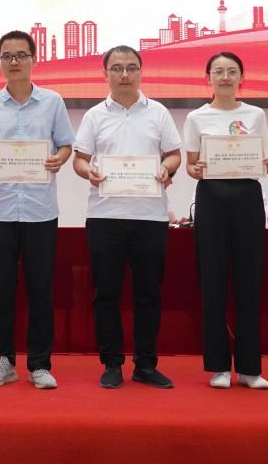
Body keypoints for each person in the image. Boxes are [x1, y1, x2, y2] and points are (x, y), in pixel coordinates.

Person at [72, 45, 181, 390]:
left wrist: (165, 169)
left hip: (150, 217)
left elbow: (174, 155)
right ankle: (112, 363)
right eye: (117, 68)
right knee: (106, 294)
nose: (124, 74)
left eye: (131, 67)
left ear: (141, 72)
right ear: (105, 74)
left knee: (148, 294)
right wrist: (89, 171)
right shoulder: (94, 116)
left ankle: (146, 364)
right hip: (105, 216)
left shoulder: (159, 112)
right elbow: (79, 160)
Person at [0, 30, 74, 389]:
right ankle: (1, 362)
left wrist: (58, 159)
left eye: (21, 55)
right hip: (0, 209)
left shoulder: (53, 102)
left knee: (41, 290)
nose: (14, 62)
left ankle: (40, 364)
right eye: (7, 56)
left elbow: (66, 145)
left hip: (40, 210)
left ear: (34, 59)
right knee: (1, 291)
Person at [183, 52, 268, 390]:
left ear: (241, 78)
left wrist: (266, 164)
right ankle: (219, 366)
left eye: (231, 71)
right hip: (211, 197)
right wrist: (197, 169)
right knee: (213, 280)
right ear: (207, 78)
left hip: (247, 196)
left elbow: (261, 157)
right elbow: (191, 165)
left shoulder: (255, 114)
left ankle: (250, 368)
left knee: (249, 280)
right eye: (218, 71)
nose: (225, 77)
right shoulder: (196, 117)